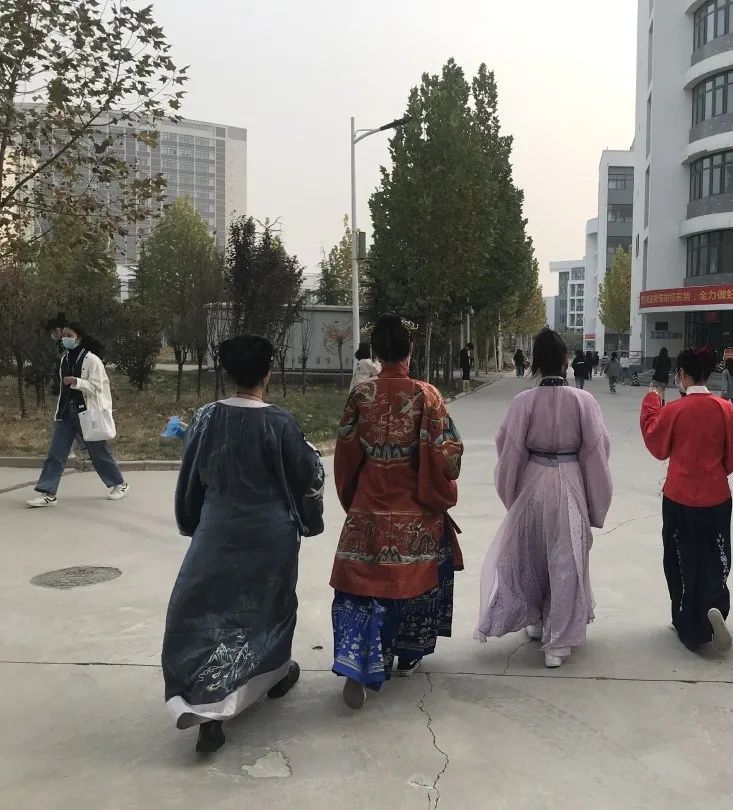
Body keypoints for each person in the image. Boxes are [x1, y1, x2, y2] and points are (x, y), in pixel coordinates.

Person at [162, 335, 325, 753]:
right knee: (269, 609)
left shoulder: (204, 418)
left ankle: (204, 705)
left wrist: (193, 519)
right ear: (268, 373)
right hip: (270, 536)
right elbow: (309, 477)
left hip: (217, 532)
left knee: (202, 611)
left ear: (228, 372)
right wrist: (310, 519)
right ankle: (274, 675)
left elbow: (191, 475)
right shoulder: (281, 423)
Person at [331, 315, 464, 708]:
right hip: (415, 513)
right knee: (421, 578)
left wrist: (353, 500)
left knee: (361, 587)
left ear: (376, 353)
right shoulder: (427, 395)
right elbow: (448, 456)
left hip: (368, 509)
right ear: (410, 351)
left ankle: (358, 665)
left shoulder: (360, 396)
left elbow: (345, 457)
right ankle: (407, 654)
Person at [476, 329, 612, 667]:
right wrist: (595, 501)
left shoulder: (523, 401)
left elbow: (508, 449)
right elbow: (597, 452)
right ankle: (558, 644)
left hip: (534, 480)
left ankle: (536, 621)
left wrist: (512, 493)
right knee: (567, 559)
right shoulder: (583, 401)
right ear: (566, 362)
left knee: (531, 553)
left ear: (535, 362)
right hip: (570, 479)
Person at [640, 347, 733, 653]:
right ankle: (714, 605)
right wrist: (718, 472)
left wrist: (651, 401)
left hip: (680, 496)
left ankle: (690, 626)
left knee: (679, 559)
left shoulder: (674, 410)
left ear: (682, 375)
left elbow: (657, 443)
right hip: (716, 495)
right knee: (714, 554)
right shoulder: (726, 409)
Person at [27, 322, 128, 508]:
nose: (65, 338)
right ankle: (48, 493)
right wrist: (58, 412)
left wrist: (78, 381)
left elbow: (98, 387)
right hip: (66, 413)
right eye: (63, 335)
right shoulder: (64, 359)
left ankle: (119, 484)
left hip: (86, 413)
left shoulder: (92, 360)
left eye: (69, 335)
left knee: (98, 452)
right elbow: (62, 389)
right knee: (56, 453)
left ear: (78, 338)